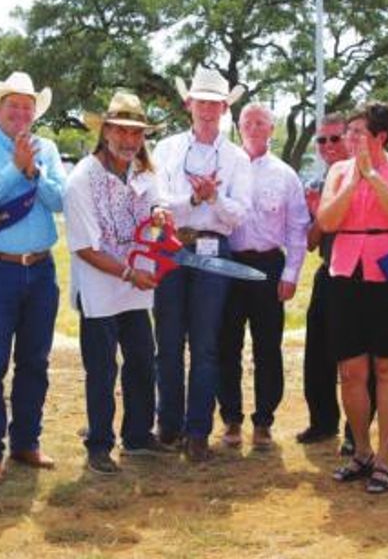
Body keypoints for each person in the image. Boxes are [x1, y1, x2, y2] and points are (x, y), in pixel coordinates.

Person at [0, 71, 67, 487]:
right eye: (13, 106)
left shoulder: (50, 149)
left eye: (27, 107)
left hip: (40, 267)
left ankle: (26, 440)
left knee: (35, 361)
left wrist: (33, 172)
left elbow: (60, 200)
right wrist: (13, 170)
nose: (21, 113)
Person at [64, 91, 172, 474]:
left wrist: (160, 213)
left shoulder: (143, 173)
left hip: (135, 287)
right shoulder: (81, 179)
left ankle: (139, 435)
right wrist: (129, 273)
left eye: (137, 133)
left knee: (143, 360)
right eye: (122, 132)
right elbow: (85, 248)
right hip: (100, 288)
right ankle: (99, 444)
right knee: (102, 369)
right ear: (106, 131)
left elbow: (156, 208)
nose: (130, 141)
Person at [317, 102, 388, 494]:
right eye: (349, 132)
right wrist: (352, 181)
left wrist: (373, 176)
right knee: (351, 370)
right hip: (346, 272)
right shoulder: (338, 171)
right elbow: (327, 221)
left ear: (381, 136)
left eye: (358, 132)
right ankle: (360, 450)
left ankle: (383, 458)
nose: (350, 139)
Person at [152, 69, 252, 462]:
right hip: (173, 246)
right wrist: (196, 202)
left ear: (225, 108)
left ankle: (197, 431)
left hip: (213, 248)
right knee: (170, 341)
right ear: (188, 104)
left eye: (215, 103)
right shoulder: (166, 149)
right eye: (201, 101)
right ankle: (169, 425)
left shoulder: (236, 157)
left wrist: (213, 200)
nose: (208, 109)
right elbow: (157, 201)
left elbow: (237, 216)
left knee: (207, 344)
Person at [218, 103, 309, 450]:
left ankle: (264, 422)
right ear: (238, 127)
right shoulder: (226, 169)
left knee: (267, 347)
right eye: (247, 122)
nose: (254, 128)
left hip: (269, 266)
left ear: (273, 129)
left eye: (261, 122)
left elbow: (298, 228)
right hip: (228, 265)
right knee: (227, 344)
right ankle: (231, 419)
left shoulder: (285, 175)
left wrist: (290, 273)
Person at [296, 113, 351, 446]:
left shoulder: (362, 176)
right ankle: (322, 422)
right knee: (317, 352)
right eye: (322, 140)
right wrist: (319, 216)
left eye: (335, 138)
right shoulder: (316, 184)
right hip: (329, 270)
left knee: (356, 357)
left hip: (360, 274)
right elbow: (311, 241)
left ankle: (354, 433)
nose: (328, 146)